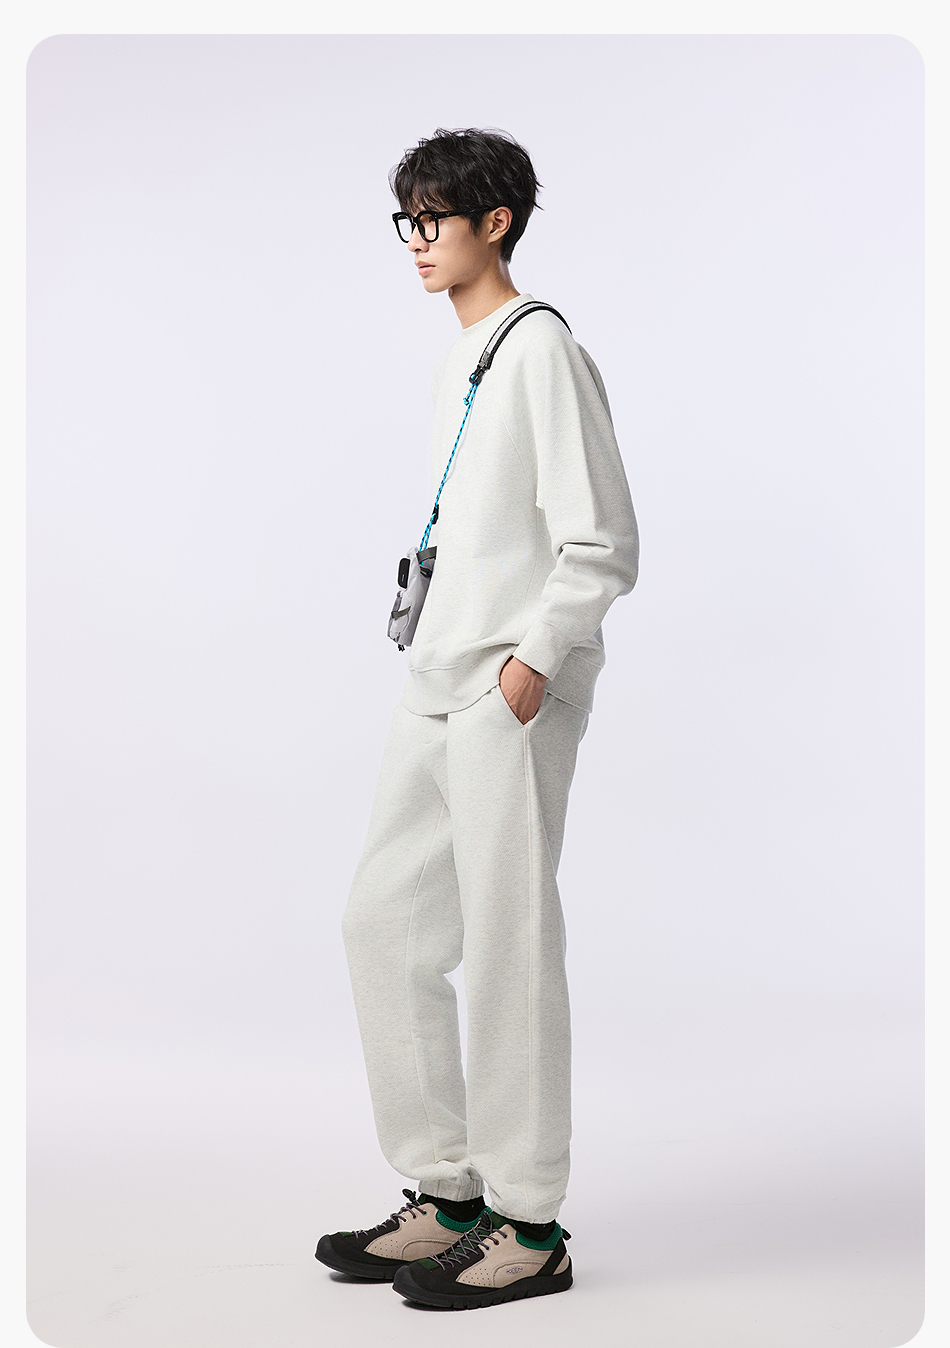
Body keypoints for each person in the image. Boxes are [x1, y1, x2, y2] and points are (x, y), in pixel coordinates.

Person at [315, 126, 639, 1311]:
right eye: (406, 220)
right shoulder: (471, 355)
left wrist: (531, 661)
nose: (416, 241)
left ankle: (529, 1222)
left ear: (492, 224)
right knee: (382, 923)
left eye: (434, 220)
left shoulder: (540, 347)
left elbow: (600, 538)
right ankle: (448, 1194)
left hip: (504, 685)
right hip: (438, 675)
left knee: (507, 944)